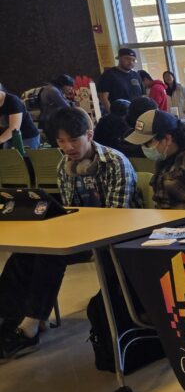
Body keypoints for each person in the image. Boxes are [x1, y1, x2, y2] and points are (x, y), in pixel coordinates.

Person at [0, 107, 141, 359]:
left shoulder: (115, 162)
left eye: (74, 140)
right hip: (81, 234)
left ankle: (30, 327)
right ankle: (11, 319)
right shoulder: (64, 166)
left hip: (117, 236)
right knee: (25, 253)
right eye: (61, 142)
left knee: (50, 256)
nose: (68, 148)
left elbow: (118, 216)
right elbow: (69, 210)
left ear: (89, 134)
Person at [97, 47, 144, 113]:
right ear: (119, 58)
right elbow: (103, 97)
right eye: (127, 59)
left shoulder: (136, 75)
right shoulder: (109, 74)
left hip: (136, 113)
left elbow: (142, 95)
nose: (131, 62)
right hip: (119, 114)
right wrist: (112, 115)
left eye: (133, 60)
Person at [0, 84, 41, 149]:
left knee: (25, 158)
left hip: (27, 137)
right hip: (8, 138)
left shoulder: (12, 100)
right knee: (8, 158)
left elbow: (14, 128)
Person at [38, 75, 76, 142]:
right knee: (56, 143)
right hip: (50, 122)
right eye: (70, 86)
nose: (71, 89)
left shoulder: (50, 88)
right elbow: (66, 106)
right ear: (63, 84)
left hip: (47, 120)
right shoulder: (53, 90)